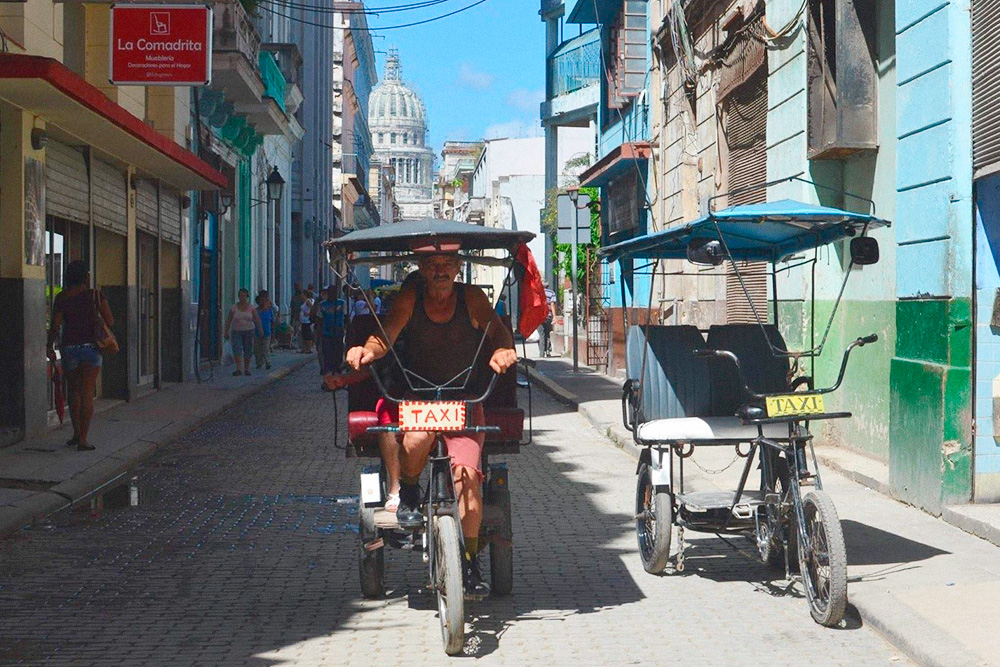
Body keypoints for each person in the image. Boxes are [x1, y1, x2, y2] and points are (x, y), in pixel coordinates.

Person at [347, 254, 518, 597]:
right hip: (420, 396)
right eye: (432, 265)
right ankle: (408, 489)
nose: (440, 272)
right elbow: (387, 333)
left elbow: (496, 331)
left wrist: (502, 351)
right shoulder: (411, 298)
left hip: (465, 400)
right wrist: (366, 351)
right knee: (416, 439)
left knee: (469, 477)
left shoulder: (471, 298)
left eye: (447, 264)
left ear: (457, 268)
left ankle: (469, 563)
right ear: (422, 270)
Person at [46, 260, 114, 451]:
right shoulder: (95, 295)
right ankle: (84, 439)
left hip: (69, 349)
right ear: (86, 276)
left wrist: (49, 346)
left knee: (74, 392)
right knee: (87, 393)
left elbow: (55, 326)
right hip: (91, 348)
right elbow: (110, 320)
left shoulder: (62, 297)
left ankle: (76, 434)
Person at [225, 288, 263, 376]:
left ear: (247, 297)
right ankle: (238, 368)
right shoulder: (234, 308)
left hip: (249, 331)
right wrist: (226, 331)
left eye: (244, 296)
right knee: (237, 349)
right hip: (236, 331)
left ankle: (246, 368)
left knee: (248, 349)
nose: (242, 297)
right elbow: (228, 320)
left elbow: (256, 319)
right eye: (240, 296)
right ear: (238, 297)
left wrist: (260, 330)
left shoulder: (251, 308)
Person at [317, 285, 346, 377]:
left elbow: (346, 318)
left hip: (338, 333)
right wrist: (319, 333)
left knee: (338, 356)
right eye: (330, 293)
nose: (332, 295)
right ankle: (328, 377)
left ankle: (337, 375)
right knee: (327, 356)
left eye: (334, 292)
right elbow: (319, 319)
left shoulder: (342, 303)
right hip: (326, 334)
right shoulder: (322, 305)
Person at [255, 290, 278, 370]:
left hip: (267, 333)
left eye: (264, 301)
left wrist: (273, 333)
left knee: (266, 348)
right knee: (257, 349)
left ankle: (267, 362)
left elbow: (273, 322)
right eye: (261, 301)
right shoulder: (256, 311)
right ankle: (259, 362)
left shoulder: (269, 311)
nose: (263, 303)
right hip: (257, 333)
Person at [539, 282, 557, 357]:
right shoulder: (551, 293)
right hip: (548, 316)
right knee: (548, 333)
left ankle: (541, 352)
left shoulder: (538, 293)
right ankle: (548, 350)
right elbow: (552, 304)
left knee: (541, 334)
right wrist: (554, 316)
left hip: (540, 316)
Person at [299, 290, 315, 354]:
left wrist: (309, 314)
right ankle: (306, 348)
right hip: (304, 321)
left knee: (307, 335)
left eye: (302, 294)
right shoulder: (305, 301)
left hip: (307, 321)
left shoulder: (308, 301)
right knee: (304, 334)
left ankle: (308, 348)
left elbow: (312, 308)